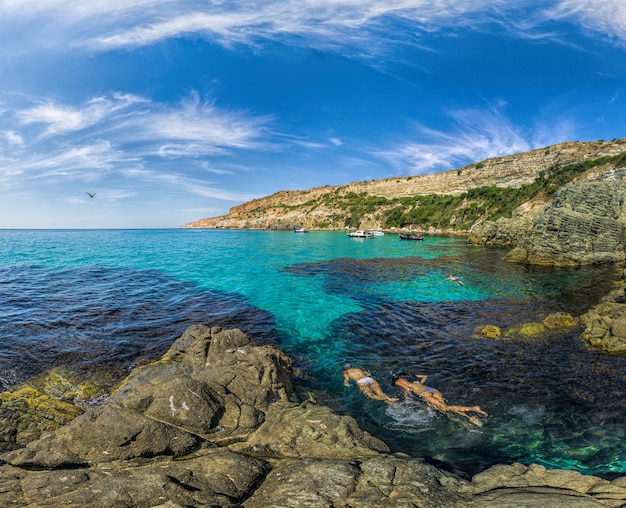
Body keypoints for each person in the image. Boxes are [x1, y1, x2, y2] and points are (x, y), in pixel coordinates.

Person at [390, 368, 487, 427]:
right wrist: (419, 385)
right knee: (443, 408)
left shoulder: (398, 381)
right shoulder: (411, 376)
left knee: (445, 408)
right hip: (432, 390)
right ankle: (469, 417)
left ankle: (473, 408)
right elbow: (425, 377)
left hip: (424, 394)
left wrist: (405, 396)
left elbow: (408, 389)